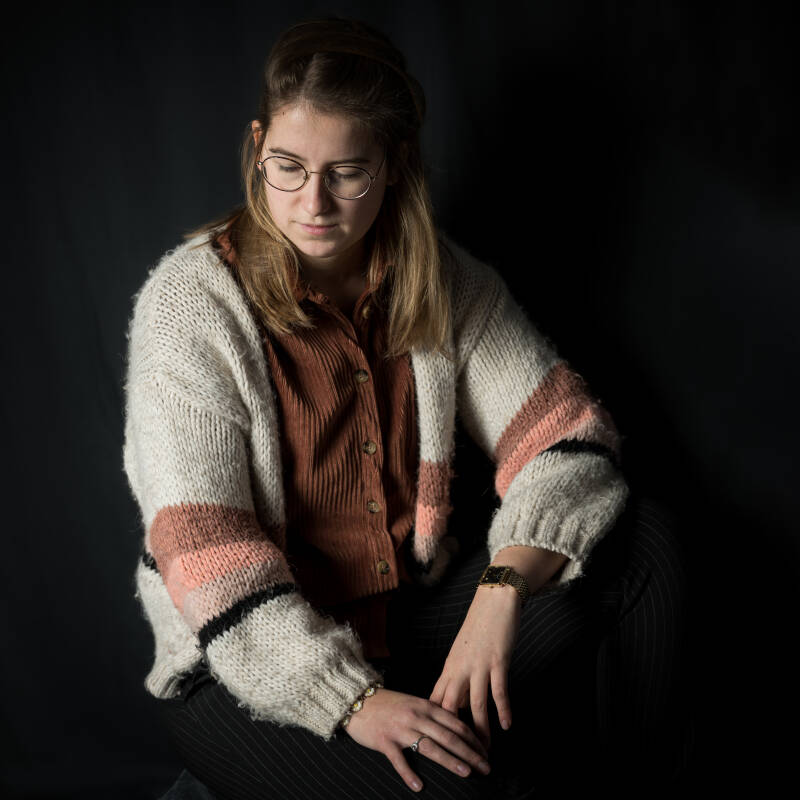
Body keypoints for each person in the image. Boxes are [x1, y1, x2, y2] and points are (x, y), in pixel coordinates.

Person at [122, 16, 692, 800]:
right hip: (241, 660)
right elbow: (206, 552)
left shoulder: (445, 282)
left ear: (393, 164)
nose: (313, 202)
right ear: (257, 148)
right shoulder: (190, 304)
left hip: (403, 625)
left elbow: (570, 440)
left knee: (646, 545)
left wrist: (502, 586)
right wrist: (353, 701)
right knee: (457, 791)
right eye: (287, 167)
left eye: (347, 173)